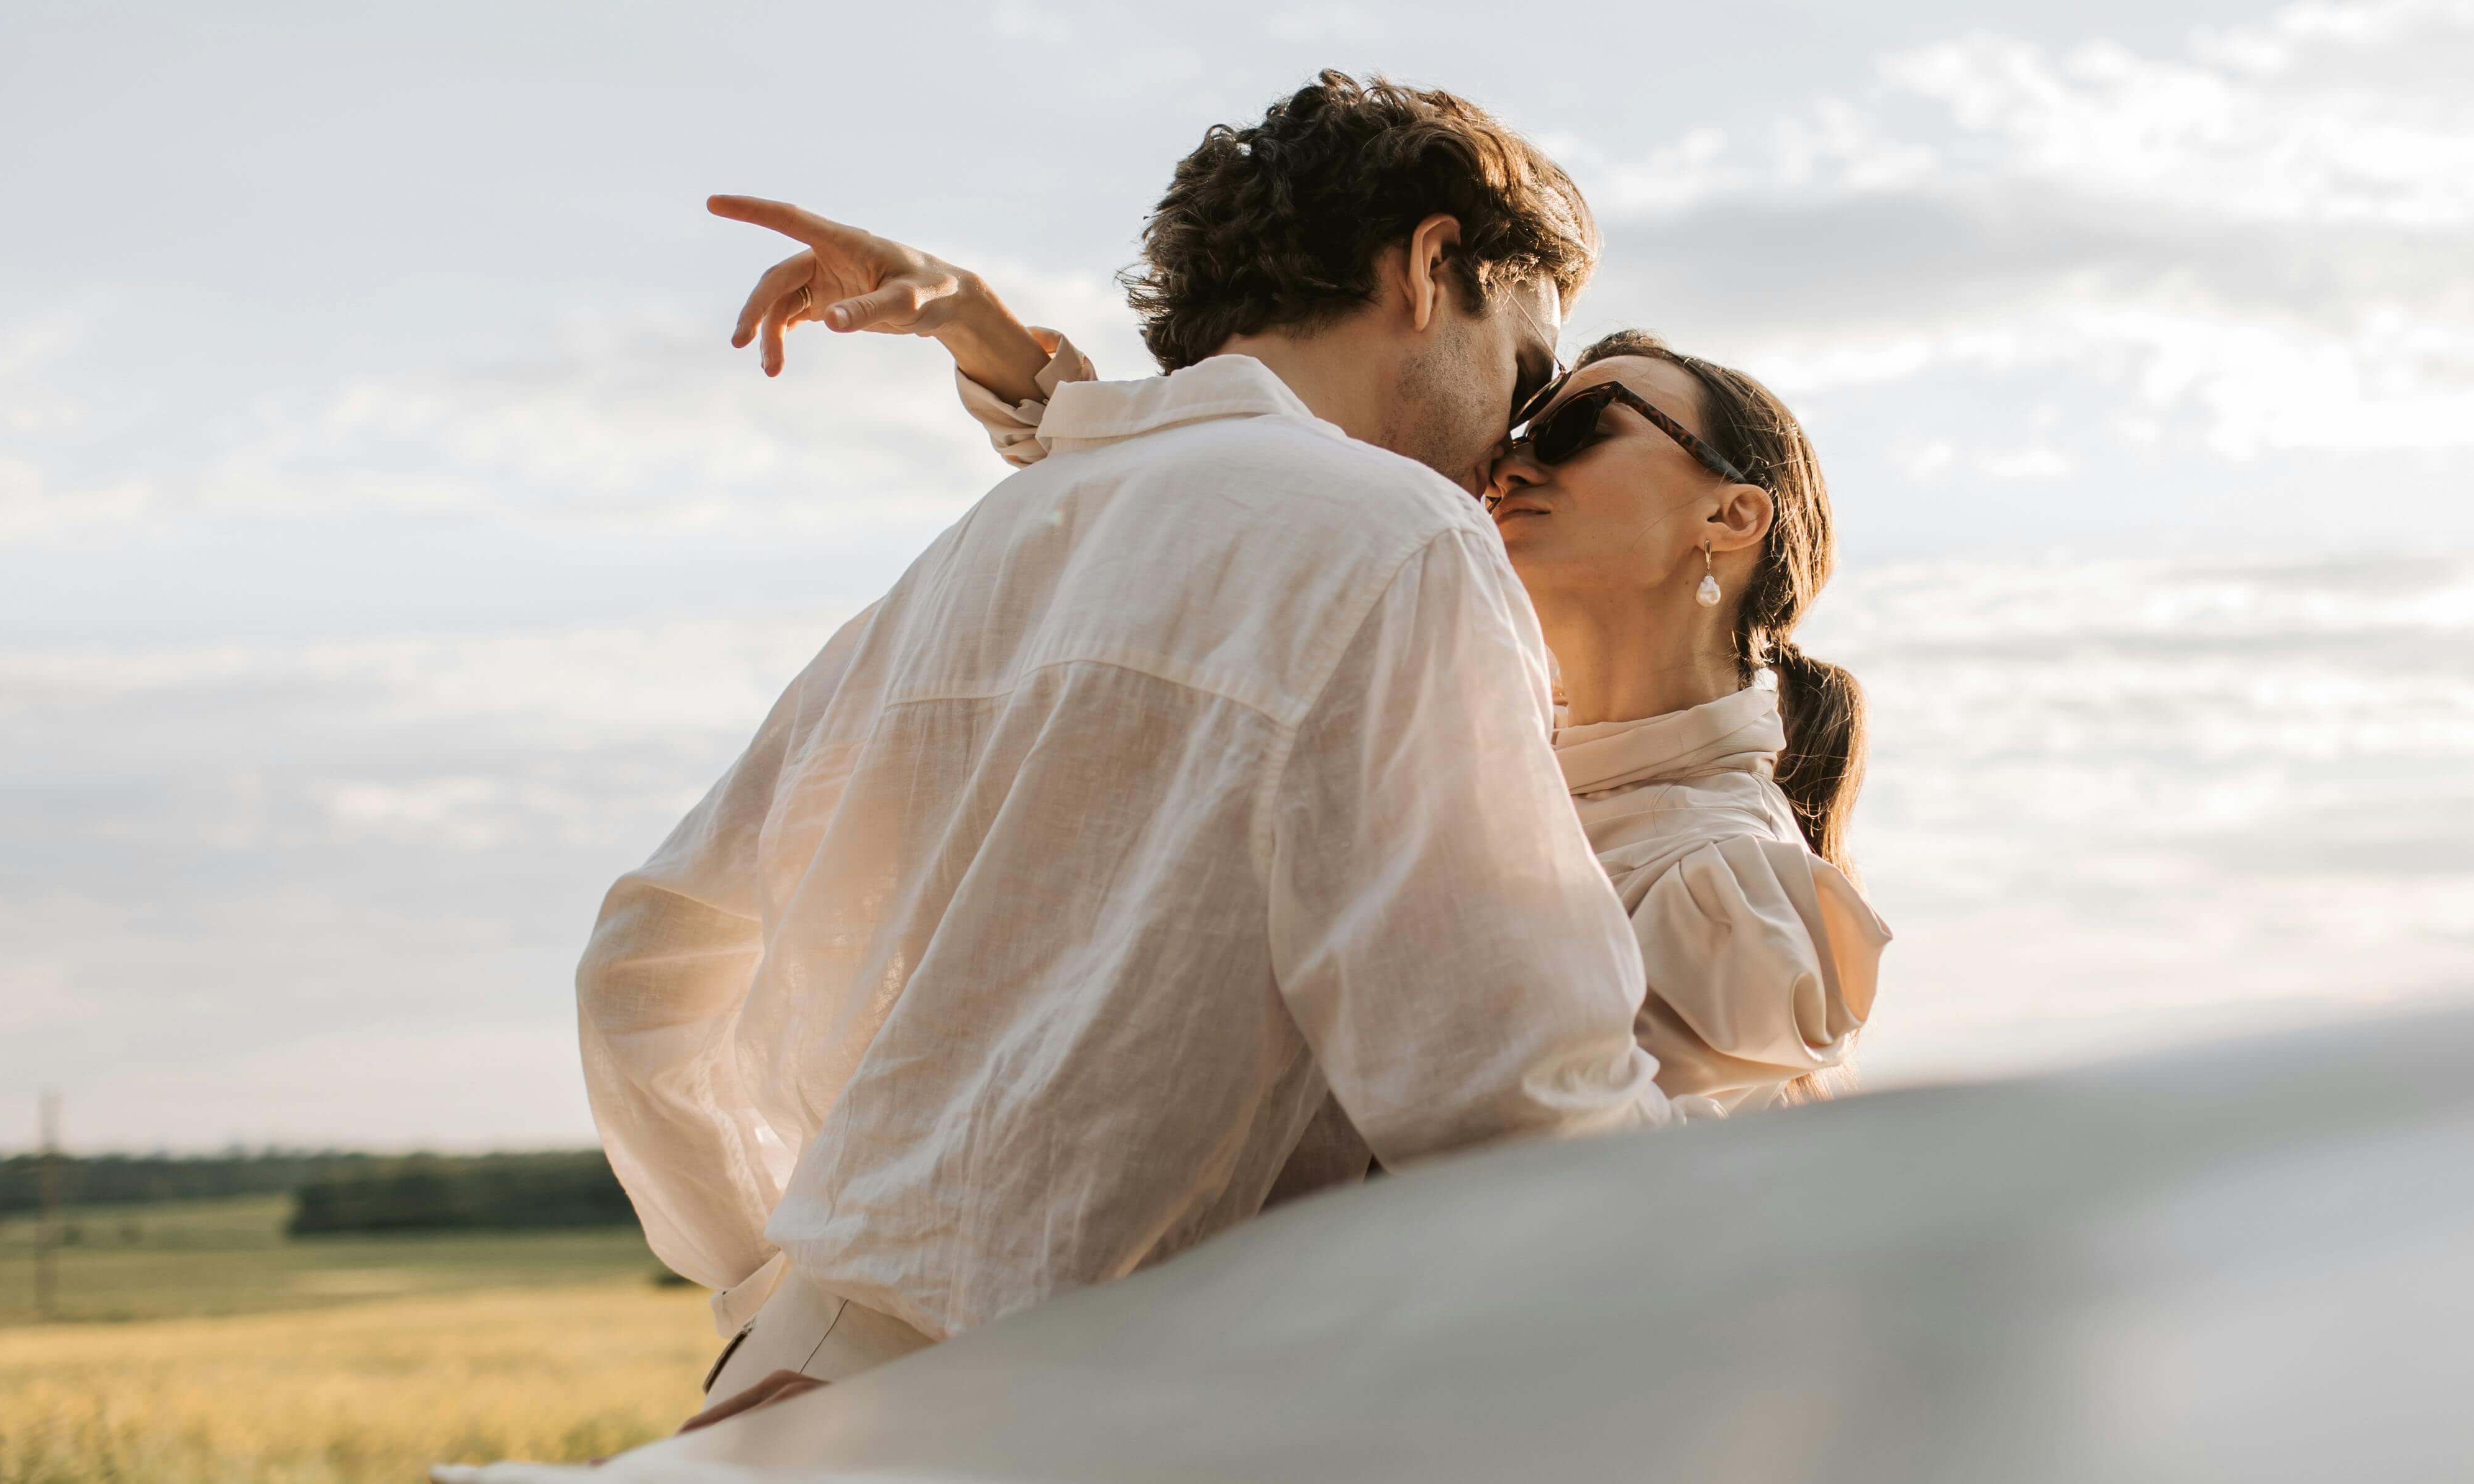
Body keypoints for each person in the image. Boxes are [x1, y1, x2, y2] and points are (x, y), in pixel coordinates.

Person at [575, 73, 1687, 1431]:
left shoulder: (978, 553)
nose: (1506, 447)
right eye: (1522, 366)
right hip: (1065, 1421)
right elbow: (1518, 1095)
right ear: (1432, 264)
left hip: (769, 1409)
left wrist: (793, 1291)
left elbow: (639, 975)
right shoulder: (1401, 541)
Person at [935, 323, 1890, 1117]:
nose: (1513, 464)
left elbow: (1604, 1228)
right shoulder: (1463, 725)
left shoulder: (1723, 883)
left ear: (1731, 518)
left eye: (1579, 427)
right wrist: (1003, 356)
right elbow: (1253, 513)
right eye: (1514, 437)